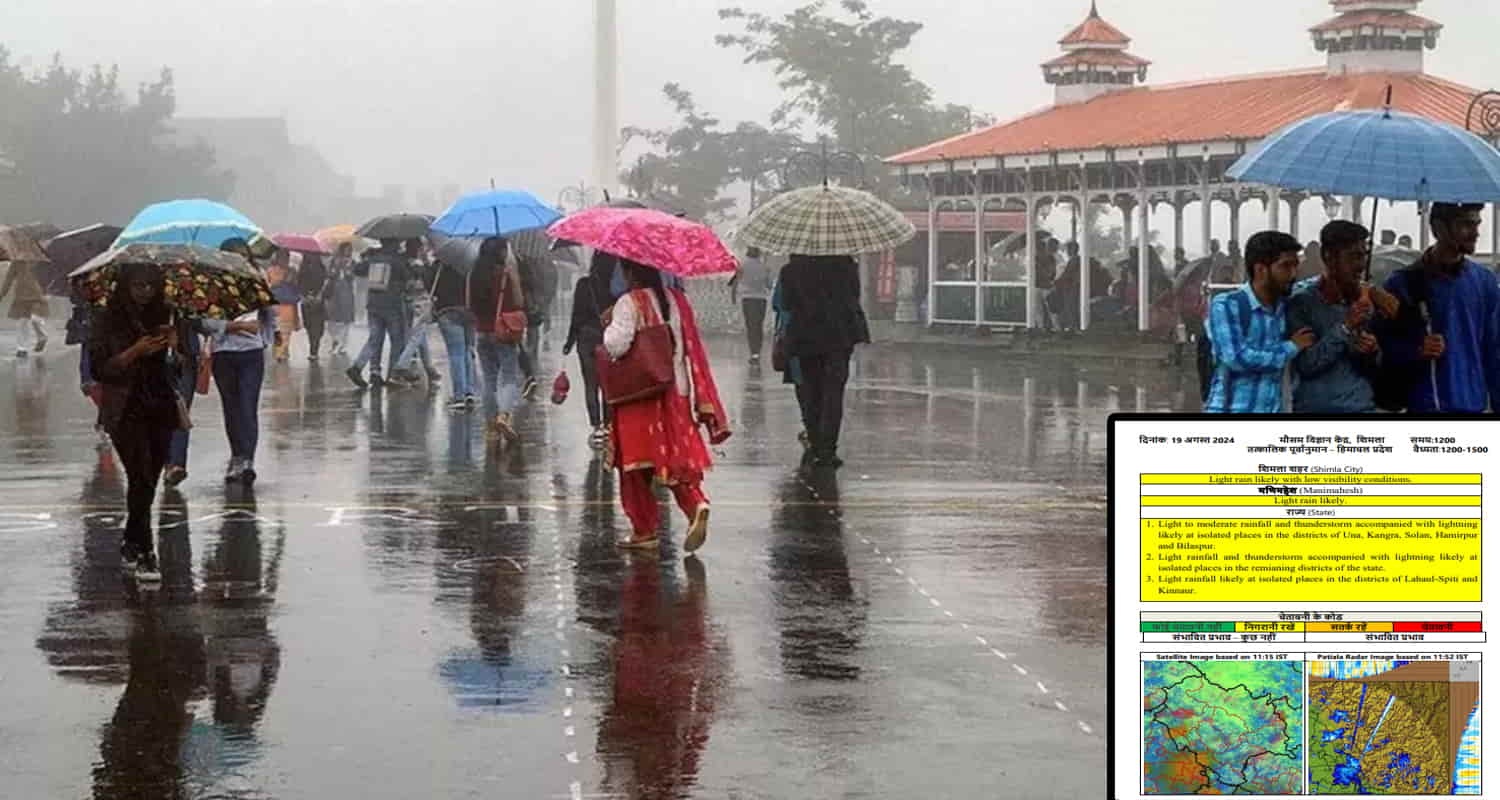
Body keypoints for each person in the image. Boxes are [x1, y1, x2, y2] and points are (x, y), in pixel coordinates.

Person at [602, 259, 729, 551]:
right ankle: (696, 503)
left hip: (640, 393)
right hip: (677, 389)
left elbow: (616, 346)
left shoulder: (629, 302)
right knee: (674, 457)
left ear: (629, 272)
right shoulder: (678, 300)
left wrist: (609, 323)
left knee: (634, 465)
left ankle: (644, 531)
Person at [86, 262, 188, 581]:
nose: (144, 292)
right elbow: (100, 368)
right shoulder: (108, 319)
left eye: (150, 286)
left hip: (159, 404)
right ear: (126, 286)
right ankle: (145, 550)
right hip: (124, 407)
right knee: (139, 472)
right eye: (138, 285)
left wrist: (174, 348)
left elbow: (179, 368)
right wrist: (135, 351)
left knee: (149, 478)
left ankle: (131, 538)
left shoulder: (168, 314)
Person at [1376, 202, 1500, 413]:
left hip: (1473, 406)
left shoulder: (1485, 282)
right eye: (1466, 225)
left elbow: (1494, 351)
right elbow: (1384, 349)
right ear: (1438, 228)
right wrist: (1417, 351)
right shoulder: (1402, 283)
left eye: (1478, 224)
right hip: (1423, 406)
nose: (1476, 233)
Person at [1203, 231, 1315, 413]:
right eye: (1286, 266)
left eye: (1296, 266)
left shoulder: (1284, 303)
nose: (1293, 274)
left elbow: (1311, 284)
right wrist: (1291, 347)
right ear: (1261, 269)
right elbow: (1237, 358)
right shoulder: (1226, 305)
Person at [779, 254, 868, 467]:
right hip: (840, 335)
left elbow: (787, 303)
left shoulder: (790, 270)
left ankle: (816, 443)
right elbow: (854, 297)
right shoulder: (847, 266)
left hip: (805, 335)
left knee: (811, 390)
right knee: (833, 392)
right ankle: (828, 450)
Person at [1288, 222, 1386, 413]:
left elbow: (1375, 369)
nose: (1361, 265)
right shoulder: (1301, 302)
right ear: (1329, 257)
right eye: (1354, 256)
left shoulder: (1366, 302)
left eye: (1364, 255)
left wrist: (1371, 351)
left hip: (1361, 407)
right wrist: (1345, 327)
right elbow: (1307, 364)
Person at [205, 238, 276, 483]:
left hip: (251, 354)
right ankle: (236, 456)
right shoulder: (211, 284)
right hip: (223, 353)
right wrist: (229, 326)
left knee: (248, 406)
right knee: (231, 408)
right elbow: (202, 320)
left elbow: (269, 313)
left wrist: (264, 338)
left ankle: (248, 459)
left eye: (242, 257)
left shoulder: (258, 279)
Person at [468, 238, 526, 443]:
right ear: (501, 253)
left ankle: (491, 427)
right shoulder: (506, 274)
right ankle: (504, 415)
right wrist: (514, 277)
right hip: (503, 331)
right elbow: (519, 302)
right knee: (509, 376)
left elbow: (470, 304)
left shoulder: (474, 275)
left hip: (482, 331)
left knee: (489, 379)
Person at [563, 251, 616, 445]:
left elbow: (576, 315)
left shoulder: (583, 284)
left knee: (590, 384)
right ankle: (609, 426)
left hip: (585, 337)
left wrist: (569, 342)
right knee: (608, 384)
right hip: (608, 336)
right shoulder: (615, 287)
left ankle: (597, 428)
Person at [347, 238, 412, 388]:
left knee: (375, 339)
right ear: (394, 244)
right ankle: (392, 375)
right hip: (392, 306)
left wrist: (368, 256)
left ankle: (365, 369)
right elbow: (408, 279)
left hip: (373, 305)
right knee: (397, 340)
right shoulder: (397, 261)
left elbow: (357, 270)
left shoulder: (374, 259)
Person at [429, 253, 475, 411]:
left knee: (456, 353)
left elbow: (431, 288)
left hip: (447, 311)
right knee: (468, 351)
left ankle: (459, 396)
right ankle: (470, 392)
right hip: (469, 312)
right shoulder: (470, 263)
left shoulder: (439, 266)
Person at [0, 254, 48, 358]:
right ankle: (22, 348)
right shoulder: (17, 261)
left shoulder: (41, 260)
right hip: (21, 297)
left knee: (36, 318)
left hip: (37, 296)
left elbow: (49, 277)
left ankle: (42, 336)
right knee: (22, 322)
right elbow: (9, 278)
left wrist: (47, 291)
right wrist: (2, 294)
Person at [730, 246, 772, 363]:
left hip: (747, 299)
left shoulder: (742, 265)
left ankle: (753, 353)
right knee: (759, 326)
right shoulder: (764, 266)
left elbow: (735, 282)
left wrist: (733, 297)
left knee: (751, 327)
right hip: (761, 300)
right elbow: (769, 285)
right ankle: (757, 352)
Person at [266, 250, 301, 363]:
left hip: (289, 305)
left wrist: (292, 279)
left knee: (286, 330)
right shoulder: (271, 270)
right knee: (278, 330)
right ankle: (280, 352)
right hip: (275, 304)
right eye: (282, 258)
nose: (284, 260)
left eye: (286, 258)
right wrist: (282, 280)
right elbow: (268, 285)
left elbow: (296, 286)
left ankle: (282, 352)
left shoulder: (292, 271)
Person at [325, 246, 357, 357]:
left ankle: (342, 345)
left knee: (346, 319)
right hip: (334, 292)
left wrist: (348, 269)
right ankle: (336, 340)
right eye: (347, 249)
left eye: (350, 250)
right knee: (332, 319)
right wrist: (337, 267)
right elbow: (329, 274)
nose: (349, 251)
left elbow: (353, 276)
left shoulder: (353, 262)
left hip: (347, 292)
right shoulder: (334, 261)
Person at [298, 251, 329, 361]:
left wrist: (320, 295)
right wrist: (303, 296)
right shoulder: (302, 269)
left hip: (318, 303)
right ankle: (313, 349)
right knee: (309, 327)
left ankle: (314, 351)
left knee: (317, 328)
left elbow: (327, 284)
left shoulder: (322, 269)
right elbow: (298, 285)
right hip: (306, 302)